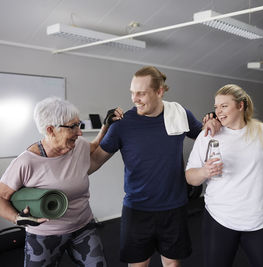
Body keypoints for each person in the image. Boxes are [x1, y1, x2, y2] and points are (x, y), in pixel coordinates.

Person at [90, 66, 219, 267]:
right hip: (137, 209)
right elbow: (94, 161)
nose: (135, 99)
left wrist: (213, 121)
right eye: (132, 93)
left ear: (160, 91)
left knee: (171, 264)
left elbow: (205, 135)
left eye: (141, 93)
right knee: (139, 265)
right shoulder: (121, 125)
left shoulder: (179, 114)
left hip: (173, 207)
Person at [0, 97, 123, 266]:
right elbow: (1, 197)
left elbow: (94, 147)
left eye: (79, 124)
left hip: (83, 228)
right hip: (44, 235)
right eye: (73, 126)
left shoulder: (77, 145)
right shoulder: (26, 162)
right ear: (51, 129)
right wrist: (16, 218)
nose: (79, 132)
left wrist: (106, 126)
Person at [185, 84, 263, 267]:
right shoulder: (208, 135)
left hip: (259, 220)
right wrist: (204, 172)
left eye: (224, 106)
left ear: (240, 106)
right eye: (216, 107)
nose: (218, 112)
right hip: (220, 218)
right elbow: (190, 177)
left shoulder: (261, 132)